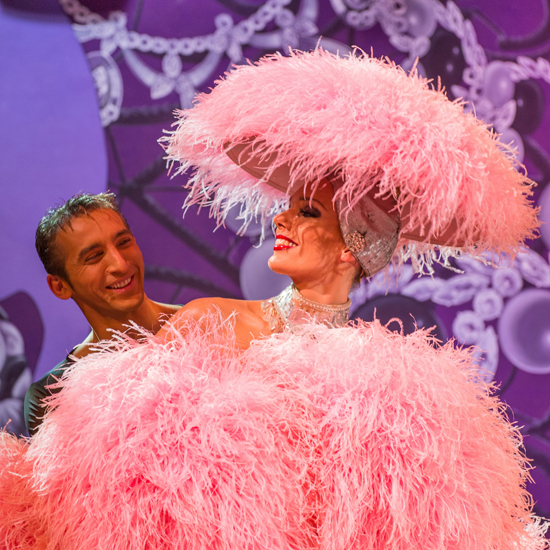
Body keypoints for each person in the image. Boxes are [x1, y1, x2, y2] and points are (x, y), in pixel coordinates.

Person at [0, 51, 548, 550]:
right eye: (288, 206)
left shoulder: (389, 389)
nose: (281, 218)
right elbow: (152, 480)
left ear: (350, 251)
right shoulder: (209, 323)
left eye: (307, 212)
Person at [24, 193, 181, 435]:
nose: (120, 264)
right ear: (60, 286)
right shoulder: (52, 395)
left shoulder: (211, 324)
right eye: (94, 256)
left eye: (124, 242)